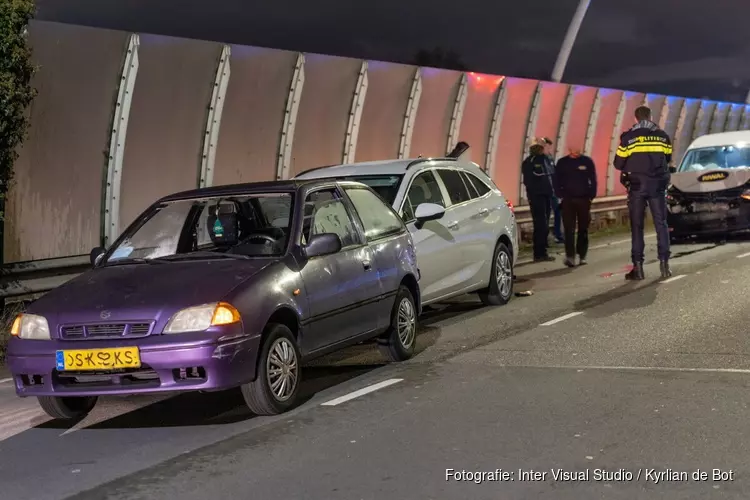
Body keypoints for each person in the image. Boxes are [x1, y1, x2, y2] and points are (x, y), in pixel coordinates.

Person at [614, 105, 673, 280]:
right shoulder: (663, 136)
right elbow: (667, 157)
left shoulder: (628, 137)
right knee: (661, 224)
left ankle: (638, 268)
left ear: (636, 118)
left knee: (637, 226)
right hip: (657, 186)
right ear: (651, 116)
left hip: (637, 186)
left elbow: (618, 163)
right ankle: (664, 265)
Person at [554, 147, 597, 267]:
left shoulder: (587, 161)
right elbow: (556, 180)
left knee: (583, 228)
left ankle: (582, 255)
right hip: (567, 200)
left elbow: (593, 180)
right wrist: (560, 195)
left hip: (584, 200)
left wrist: (591, 196)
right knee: (569, 230)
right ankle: (570, 256)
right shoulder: (562, 163)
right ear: (569, 148)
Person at [522, 142, 555, 262]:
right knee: (540, 224)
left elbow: (552, 175)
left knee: (544, 224)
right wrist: (535, 193)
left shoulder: (547, 160)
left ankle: (543, 250)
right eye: (544, 147)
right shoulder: (530, 162)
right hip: (537, 197)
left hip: (546, 195)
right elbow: (529, 181)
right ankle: (539, 252)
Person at [539, 137, 565, 244]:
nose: (548, 149)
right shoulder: (540, 159)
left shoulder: (549, 158)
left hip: (553, 191)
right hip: (546, 191)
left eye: (549, 147)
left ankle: (558, 235)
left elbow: (554, 174)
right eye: (546, 146)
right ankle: (545, 238)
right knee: (546, 214)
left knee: (558, 211)